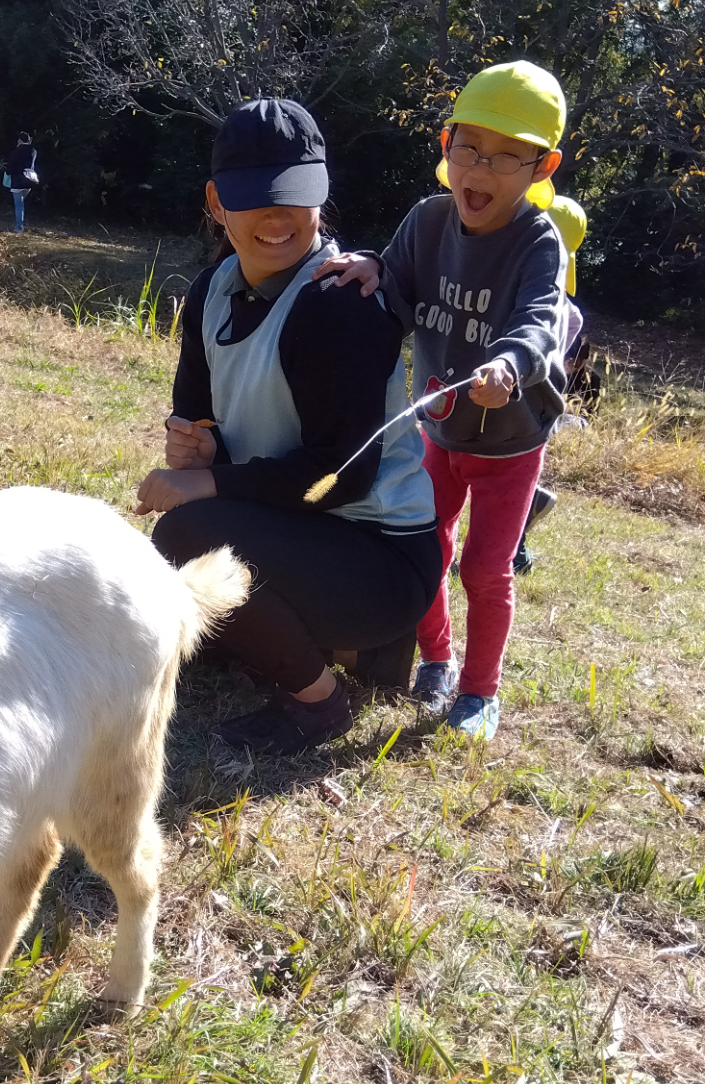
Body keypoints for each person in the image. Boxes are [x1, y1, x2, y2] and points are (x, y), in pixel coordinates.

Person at [135, 99, 439, 756]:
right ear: (216, 203)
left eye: (294, 197)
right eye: (255, 200)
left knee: (187, 535)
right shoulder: (212, 290)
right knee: (175, 584)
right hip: (306, 532)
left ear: (321, 195)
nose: (277, 218)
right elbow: (198, 415)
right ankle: (355, 651)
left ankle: (319, 704)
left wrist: (210, 484)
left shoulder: (338, 304)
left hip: (378, 558)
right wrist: (198, 446)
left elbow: (343, 474)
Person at [316, 61, 572, 741]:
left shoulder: (537, 242)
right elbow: (397, 286)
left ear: (542, 166)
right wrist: (370, 264)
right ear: (445, 144)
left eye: (504, 157)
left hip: (510, 444)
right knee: (423, 546)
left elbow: (541, 318)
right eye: (469, 149)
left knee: (484, 568)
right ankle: (436, 660)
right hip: (439, 432)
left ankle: (479, 694)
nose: (479, 172)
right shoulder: (428, 221)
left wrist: (509, 365)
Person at [513, 193, 590, 576]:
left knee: (499, 482)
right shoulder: (572, 313)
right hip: (544, 402)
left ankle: (516, 552)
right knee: (513, 482)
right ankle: (522, 536)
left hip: (515, 393)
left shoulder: (520, 289)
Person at [3, 131, 38, 233]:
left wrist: (7, 172)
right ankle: (20, 224)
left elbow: (11, 167)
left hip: (18, 180)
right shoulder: (33, 150)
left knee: (19, 205)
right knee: (22, 203)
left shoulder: (16, 151)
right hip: (29, 180)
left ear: (19, 140)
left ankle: (19, 227)